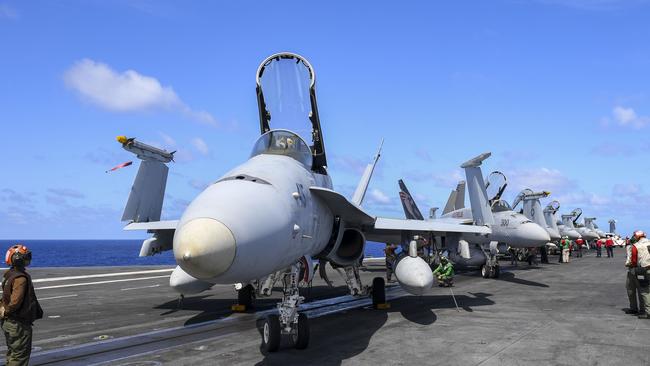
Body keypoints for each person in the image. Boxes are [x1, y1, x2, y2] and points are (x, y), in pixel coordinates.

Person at [1, 244, 43, 366]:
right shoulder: (21, 278)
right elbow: (15, 302)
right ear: (18, 258)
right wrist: (7, 310)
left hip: (9, 323)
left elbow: (6, 297)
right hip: (17, 324)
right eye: (26, 256)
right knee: (20, 355)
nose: (28, 259)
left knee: (13, 352)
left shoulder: (9, 274)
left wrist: (3, 310)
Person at [631, 231, 650, 319]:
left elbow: (634, 260)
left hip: (643, 269)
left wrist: (635, 268)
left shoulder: (636, 246)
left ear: (637, 237)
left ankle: (648, 312)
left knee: (645, 291)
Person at [625, 237, 643, 315]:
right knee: (630, 289)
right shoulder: (630, 248)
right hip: (631, 270)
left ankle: (643, 309)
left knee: (641, 291)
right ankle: (633, 308)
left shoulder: (642, 247)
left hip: (640, 270)